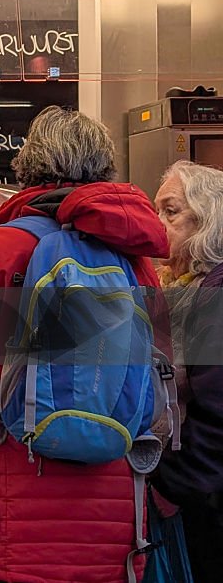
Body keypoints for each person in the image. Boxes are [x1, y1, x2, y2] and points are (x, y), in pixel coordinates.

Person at [0, 106, 171, 583]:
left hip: (13, 498)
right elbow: (159, 379)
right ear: (104, 169)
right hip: (114, 503)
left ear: (28, 167)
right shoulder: (133, 257)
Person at [150, 161, 223, 582]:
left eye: (171, 212)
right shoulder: (182, 288)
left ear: (208, 221)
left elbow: (219, 416)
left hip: (208, 503)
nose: (157, 223)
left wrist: (172, 484)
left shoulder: (213, 296)